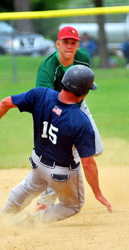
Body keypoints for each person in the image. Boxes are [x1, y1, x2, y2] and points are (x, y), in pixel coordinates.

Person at [0, 65, 112, 224]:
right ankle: (30, 222)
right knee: (73, 206)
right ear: (83, 93)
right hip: (62, 174)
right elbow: (88, 163)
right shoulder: (81, 121)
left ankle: (2, 216)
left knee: (27, 188)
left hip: (38, 163)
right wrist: (98, 193)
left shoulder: (40, 94)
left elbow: (6, 102)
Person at [35, 26, 103, 211]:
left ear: (78, 44)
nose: (69, 46)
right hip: (54, 113)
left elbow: (85, 87)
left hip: (78, 107)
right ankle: (45, 201)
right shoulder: (47, 69)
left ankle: (57, 189)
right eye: (65, 42)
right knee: (63, 156)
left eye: (73, 42)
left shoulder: (83, 57)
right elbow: (43, 100)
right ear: (57, 44)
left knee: (96, 149)